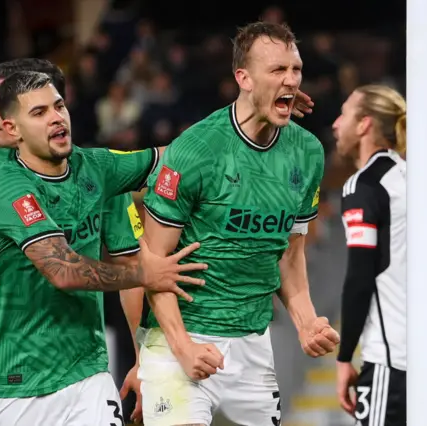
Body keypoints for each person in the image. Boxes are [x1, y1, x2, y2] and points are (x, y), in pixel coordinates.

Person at [0, 70, 207, 426]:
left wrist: (240, 124)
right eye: (40, 112)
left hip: (87, 373)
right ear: (14, 130)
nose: (57, 116)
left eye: (58, 106)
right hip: (13, 383)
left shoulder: (95, 168)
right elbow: (62, 270)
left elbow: (175, 156)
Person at [136, 21, 340, 426]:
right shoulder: (195, 150)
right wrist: (182, 348)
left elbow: (290, 255)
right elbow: (151, 265)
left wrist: (306, 321)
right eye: (278, 70)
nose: (291, 80)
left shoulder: (308, 153)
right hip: (181, 339)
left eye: (295, 69)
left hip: (252, 346)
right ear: (243, 78)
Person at [0, 57, 146, 421]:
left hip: (85, 371)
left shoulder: (99, 174)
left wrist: (143, 360)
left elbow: (131, 265)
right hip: (5, 378)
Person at [332, 84, 427, 426]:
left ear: (364, 125)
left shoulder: (363, 187)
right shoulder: (417, 179)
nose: (335, 123)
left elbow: (360, 279)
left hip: (396, 362)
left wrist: (344, 358)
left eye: (344, 113)